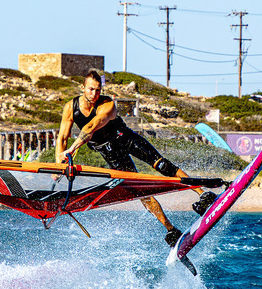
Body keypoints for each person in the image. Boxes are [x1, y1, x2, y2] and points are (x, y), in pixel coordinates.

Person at [57, 69, 217, 246]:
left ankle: (203, 195)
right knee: (140, 193)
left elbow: (91, 127)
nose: (94, 94)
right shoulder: (70, 108)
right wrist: (58, 166)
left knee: (162, 165)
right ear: (83, 88)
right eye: (90, 89)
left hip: (125, 138)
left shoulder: (107, 104)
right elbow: (62, 138)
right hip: (109, 152)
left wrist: (71, 149)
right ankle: (171, 230)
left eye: (98, 90)